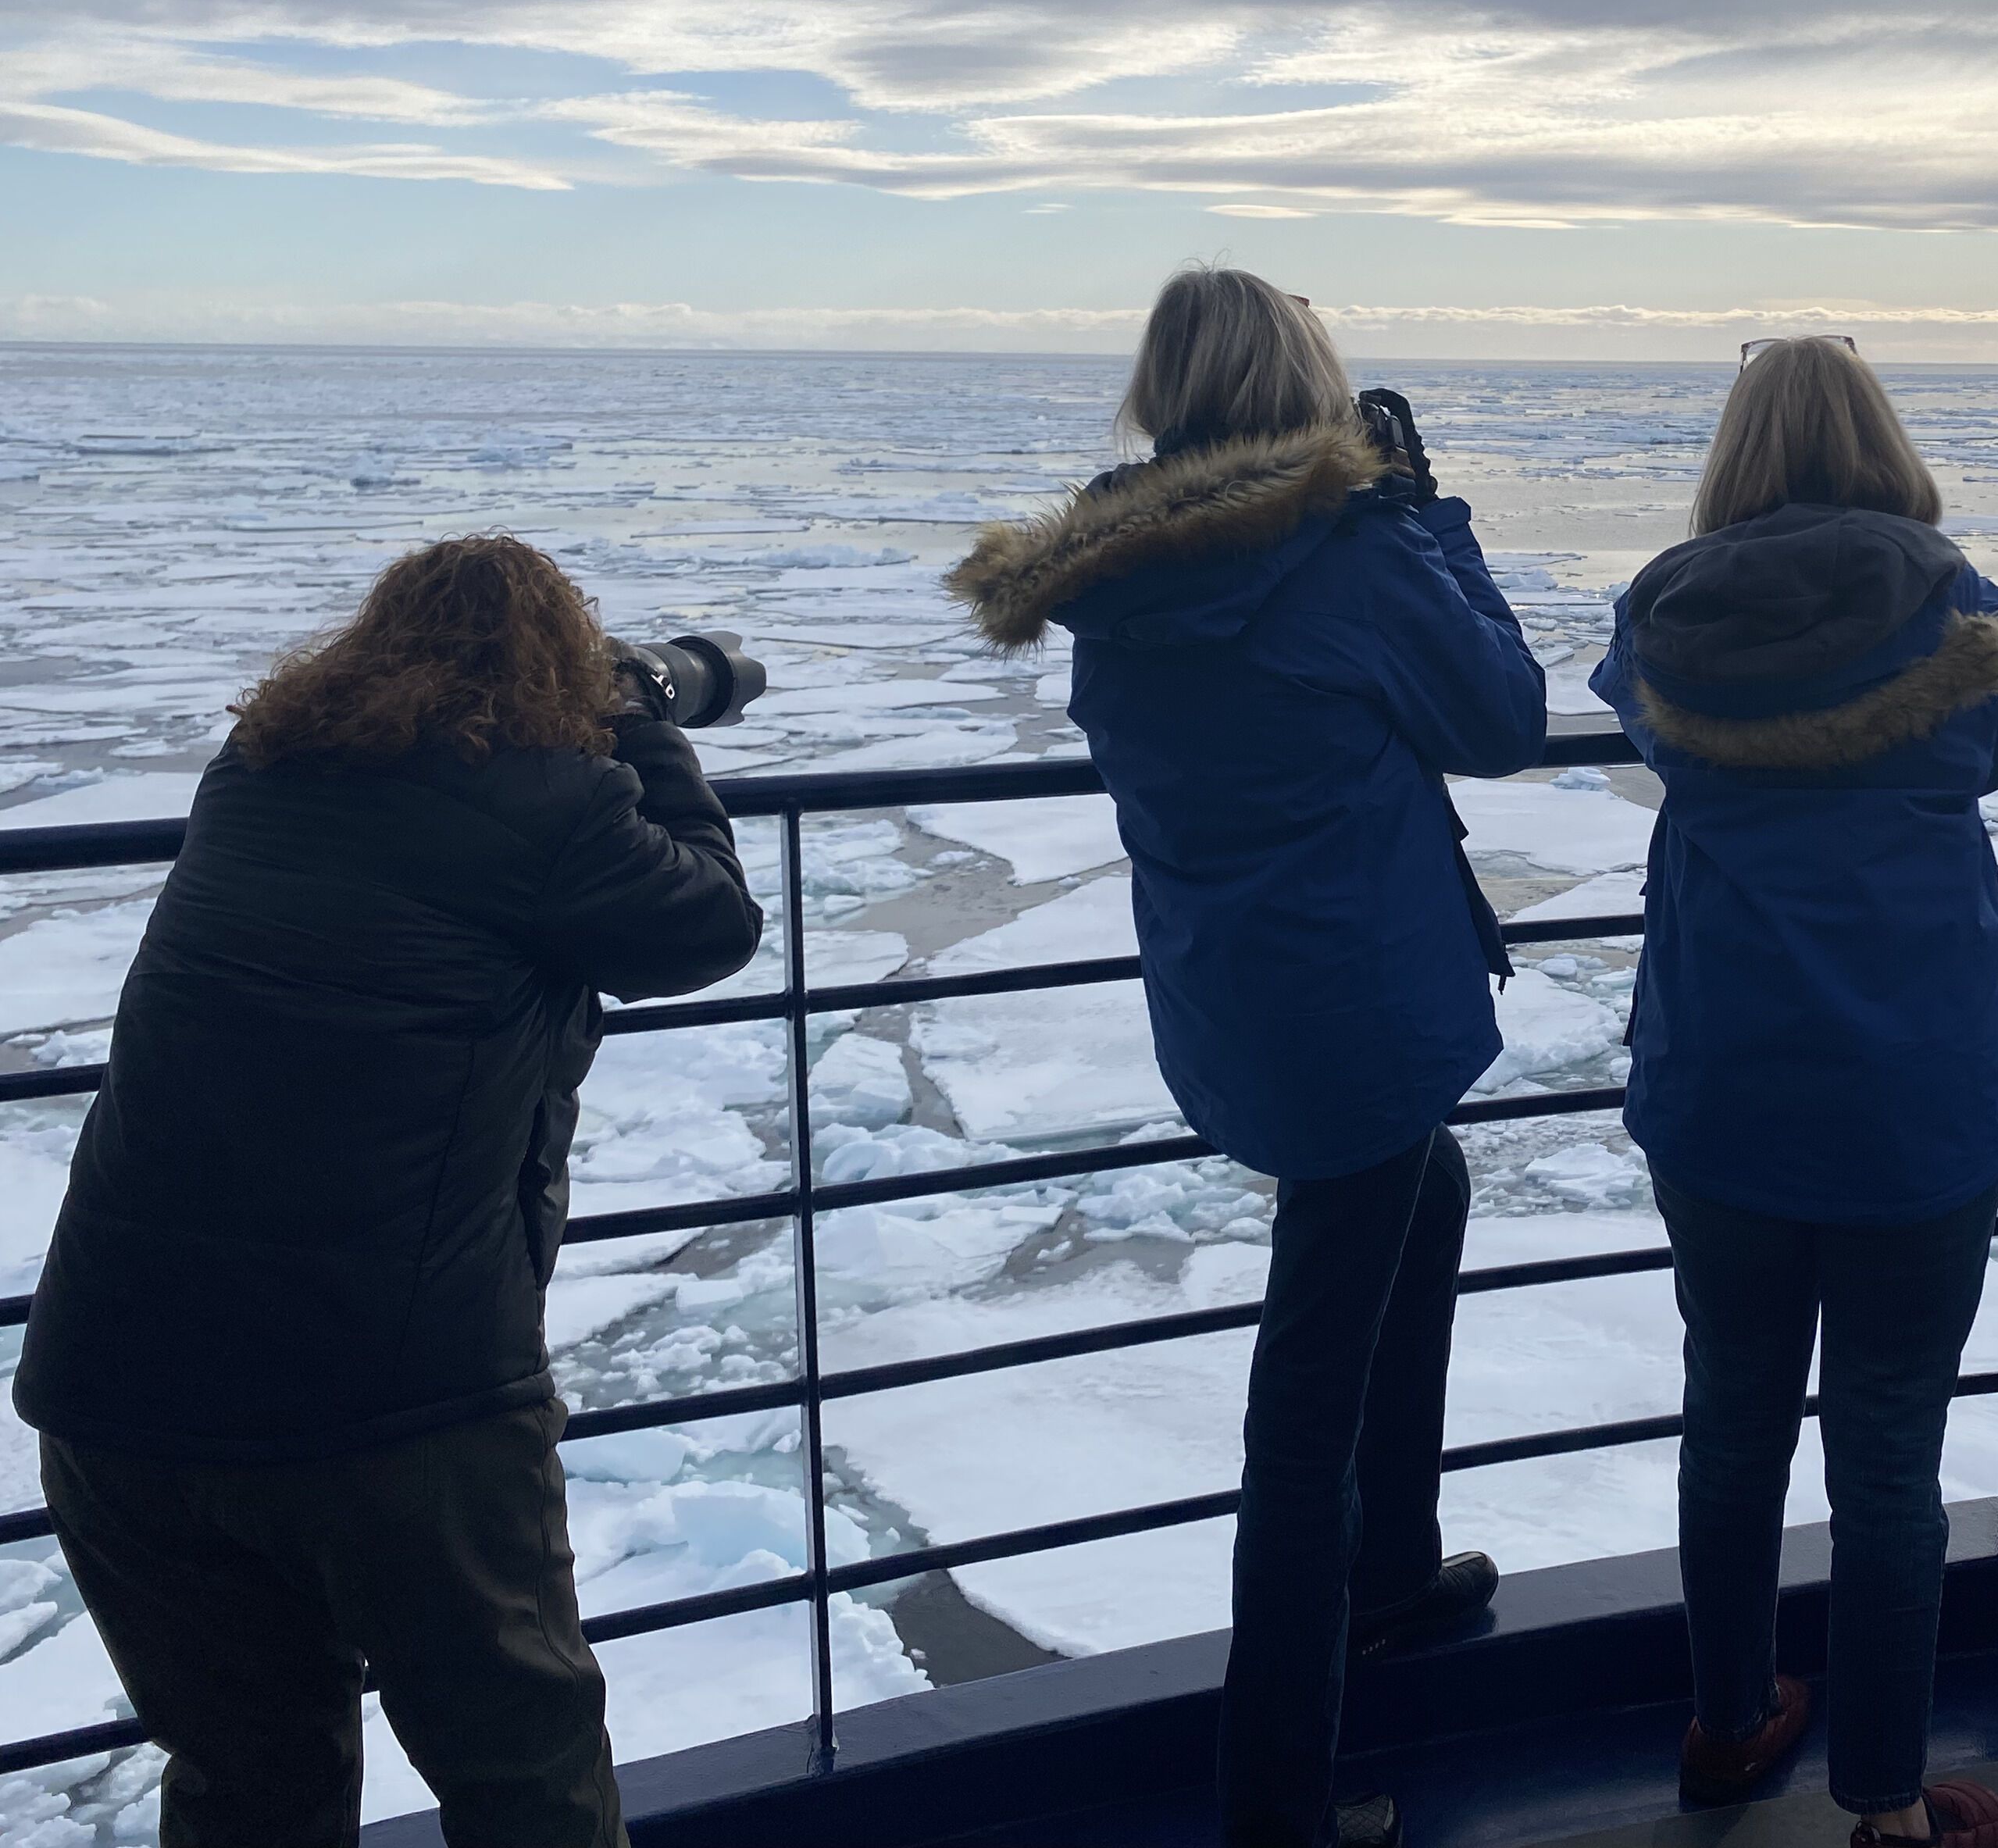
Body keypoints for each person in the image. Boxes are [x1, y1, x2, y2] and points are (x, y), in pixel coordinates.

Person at [16, 534, 764, 1848]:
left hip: (115, 1386)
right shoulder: (554, 804)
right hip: (392, 1397)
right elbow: (706, 924)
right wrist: (643, 719)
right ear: (557, 670)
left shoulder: (254, 771)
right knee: (525, 1776)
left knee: (250, 1781)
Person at [947, 267, 1548, 1848]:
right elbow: (1503, 719)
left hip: (1240, 998)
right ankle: (1279, 1795)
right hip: (1360, 1007)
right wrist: (1426, 518)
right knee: (1303, 1421)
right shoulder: (1344, 552)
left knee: (1424, 1199)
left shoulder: (1114, 572)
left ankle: (1389, 1570)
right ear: (1307, 383)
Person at [1591, 337, 1998, 1848]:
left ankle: (1727, 1719)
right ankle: (1890, 1802)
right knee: (1889, 1451)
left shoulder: (1666, 608)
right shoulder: (1954, 601)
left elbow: (1638, 720)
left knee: (1732, 1416)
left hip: (1724, 1085)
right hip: (1915, 1094)